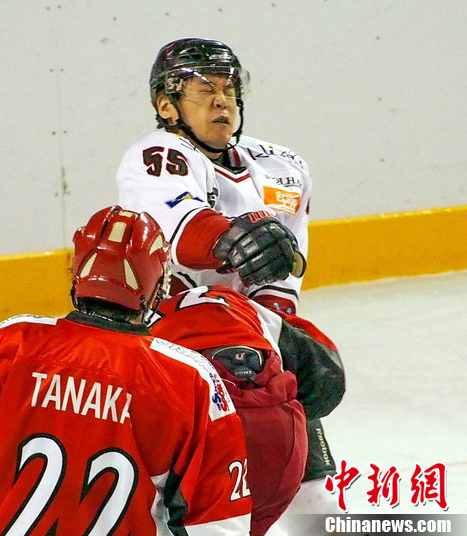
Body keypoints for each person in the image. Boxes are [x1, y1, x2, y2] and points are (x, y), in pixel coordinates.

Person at [0, 206, 252, 536]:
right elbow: (217, 522)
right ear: (156, 285)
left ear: (79, 274)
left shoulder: (9, 345)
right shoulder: (189, 379)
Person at [115, 38, 345, 529]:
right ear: (166, 105)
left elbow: (279, 280)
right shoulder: (156, 155)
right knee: (177, 506)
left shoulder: (283, 167)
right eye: (205, 90)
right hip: (173, 354)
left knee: (314, 498)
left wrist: (277, 345)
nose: (222, 101)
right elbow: (184, 233)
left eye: (229, 89)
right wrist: (238, 238)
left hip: (249, 346)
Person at [149, 285, 346, 535]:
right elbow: (327, 379)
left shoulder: (130, 328)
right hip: (280, 437)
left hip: (205, 443)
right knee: (320, 509)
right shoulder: (245, 306)